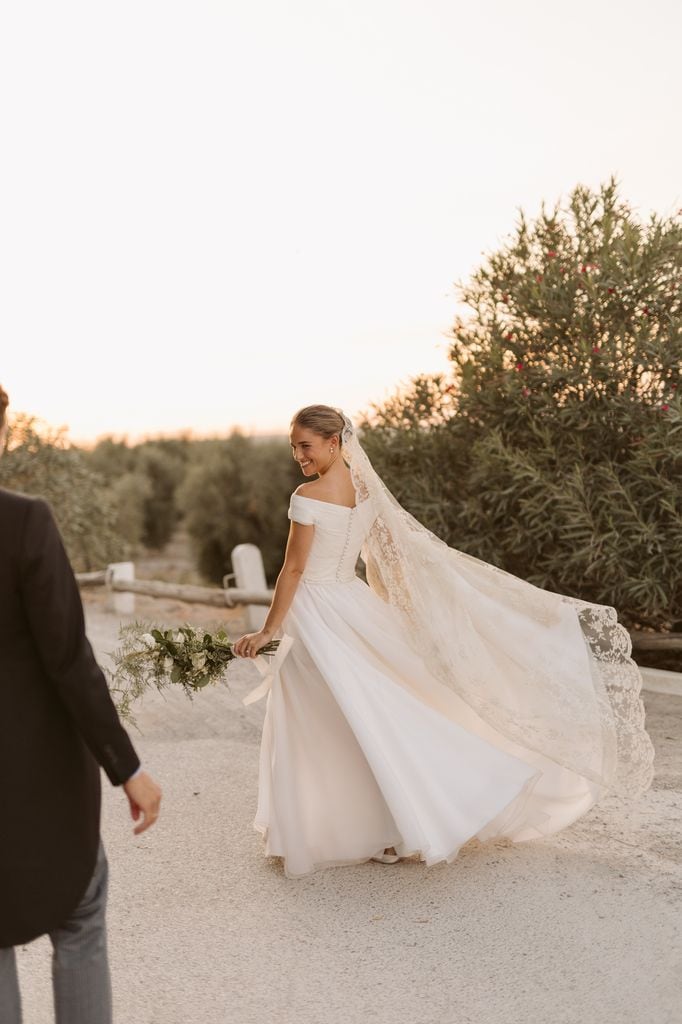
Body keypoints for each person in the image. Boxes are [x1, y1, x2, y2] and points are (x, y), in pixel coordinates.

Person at [234, 404, 654, 878]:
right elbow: (383, 554)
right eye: (293, 446)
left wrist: (269, 628)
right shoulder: (364, 489)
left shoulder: (307, 496)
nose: (298, 455)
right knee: (361, 713)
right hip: (351, 601)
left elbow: (293, 569)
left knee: (333, 717)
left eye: (305, 445)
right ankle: (386, 826)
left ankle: (371, 823)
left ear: (334, 443)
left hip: (315, 612)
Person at [0, 385, 162, 1024]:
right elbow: (69, 661)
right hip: (38, 782)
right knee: (81, 916)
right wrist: (127, 768)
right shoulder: (22, 522)